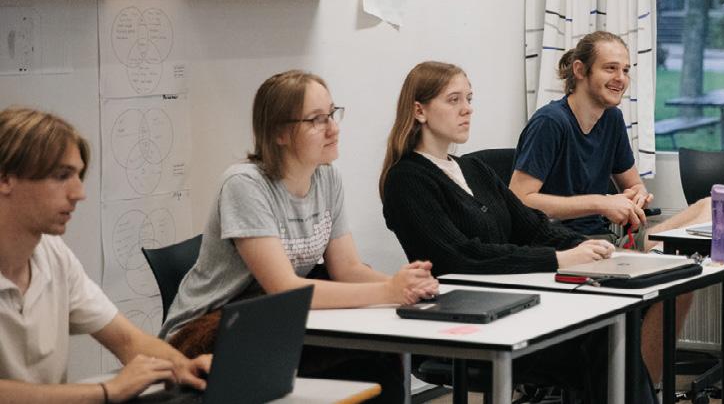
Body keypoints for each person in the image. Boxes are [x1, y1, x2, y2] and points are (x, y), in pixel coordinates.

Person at [378, 61, 654, 403]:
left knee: (609, 330)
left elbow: (533, 227)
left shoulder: (474, 169)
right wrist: (559, 259)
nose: (467, 109)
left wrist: (594, 249)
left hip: (508, 302)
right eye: (453, 100)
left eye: (469, 98)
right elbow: (459, 257)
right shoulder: (407, 179)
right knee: (601, 342)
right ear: (419, 111)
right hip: (461, 319)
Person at [159, 70, 439, 403]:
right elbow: (284, 287)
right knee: (365, 358)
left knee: (379, 358)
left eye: (332, 114)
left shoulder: (328, 177)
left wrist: (406, 285)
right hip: (207, 331)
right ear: (279, 132)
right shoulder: (245, 185)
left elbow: (347, 268)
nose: (333, 128)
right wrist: (387, 291)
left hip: (278, 321)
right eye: (316, 120)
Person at [509, 31, 709, 385]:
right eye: (611, 68)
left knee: (709, 206)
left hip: (606, 244)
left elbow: (633, 184)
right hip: (565, 248)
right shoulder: (550, 123)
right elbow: (519, 200)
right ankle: (637, 390)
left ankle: (638, 385)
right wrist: (601, 202)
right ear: (580, 70)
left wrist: (636, 197)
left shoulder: (612, 119)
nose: (621, 78)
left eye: (626, 70)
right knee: (678, 286)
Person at [0, 107, 211, 404]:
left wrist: (182, 366)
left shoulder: (53, 254)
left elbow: (126, 339)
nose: (79, 193)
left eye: (77, 175)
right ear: (5, 179)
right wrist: (107, 391)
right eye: (61, 176)